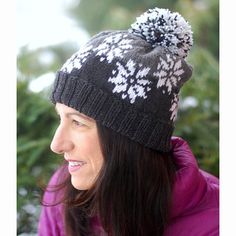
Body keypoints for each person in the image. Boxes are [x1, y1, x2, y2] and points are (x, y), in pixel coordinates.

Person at [38, 7, 219, 236]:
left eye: (78, 122)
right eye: (60, 118)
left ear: (129, 136)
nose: (57, 144)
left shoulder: (217, 223)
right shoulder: (64, 191)